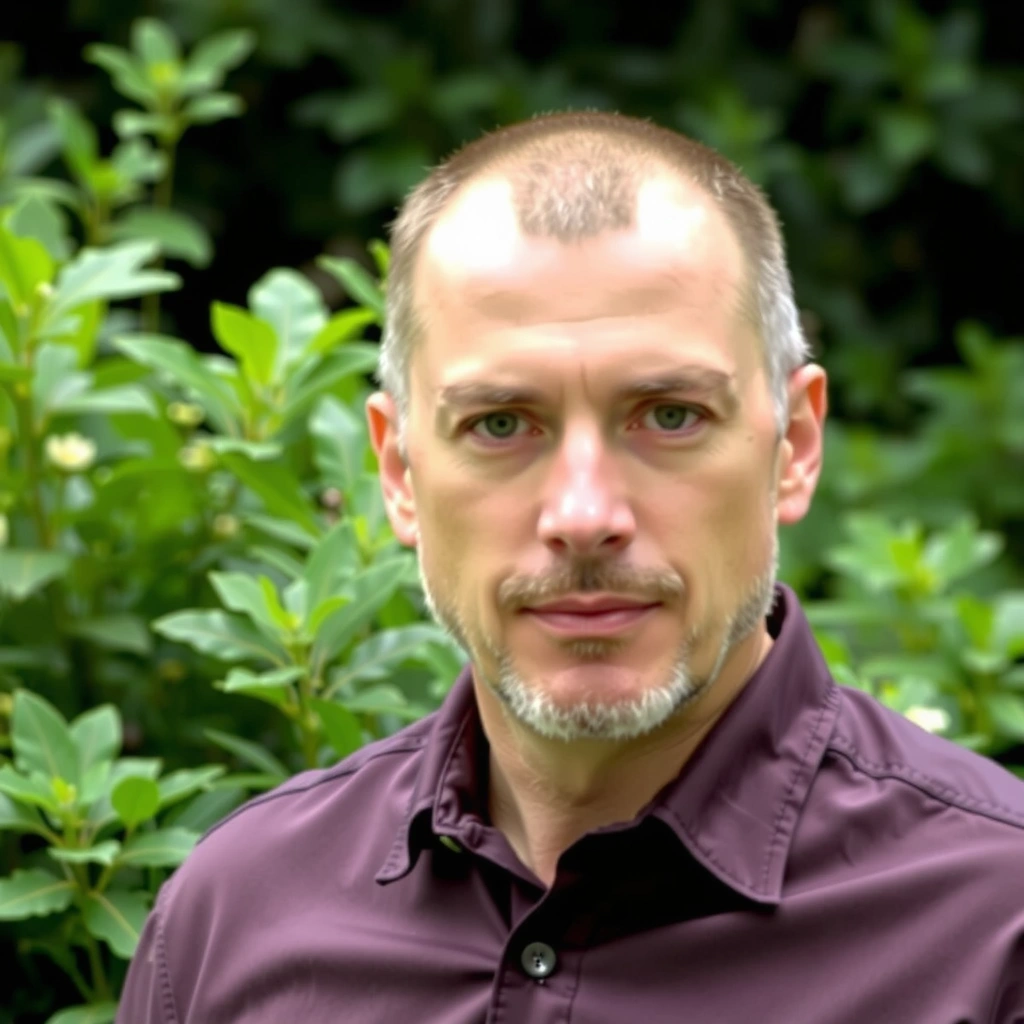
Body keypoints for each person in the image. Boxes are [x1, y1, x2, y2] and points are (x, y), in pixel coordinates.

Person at [116, 111, 1024, 1023]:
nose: (584, 517)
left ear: (795, 444)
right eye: (500, 424)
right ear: (398, 472)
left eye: (669, 416)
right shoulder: (233, 918)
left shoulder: (997, 926)